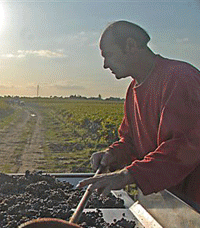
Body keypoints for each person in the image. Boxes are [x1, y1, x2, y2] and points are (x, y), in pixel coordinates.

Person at [77, 21, 200, 205]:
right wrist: (113, 154)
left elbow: (185, 146)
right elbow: (131, 141)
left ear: (131, 45)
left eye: (108, 55)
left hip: (193, 200)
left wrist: (128, 175)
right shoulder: (133, 88)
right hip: (168, 200)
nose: (105, 65)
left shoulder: (179, 78)